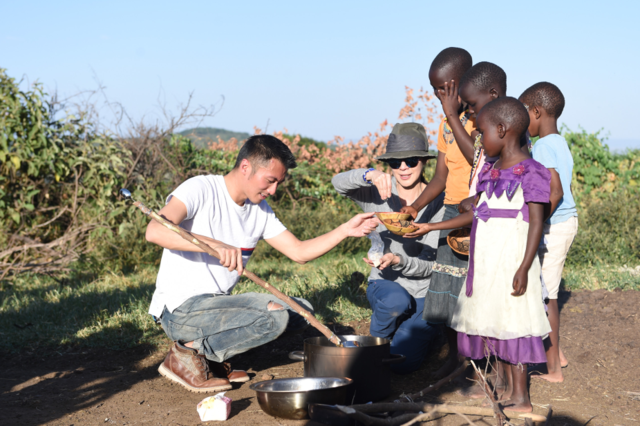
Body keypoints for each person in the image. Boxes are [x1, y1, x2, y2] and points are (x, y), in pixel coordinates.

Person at [145, 135, 380, 393]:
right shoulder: (200, 188)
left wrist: (345, 229)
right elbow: (156, 231)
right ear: (246, 167)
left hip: (215, 306)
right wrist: (215, 244)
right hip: (179, 310)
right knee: (274, 316)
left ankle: (210, 355)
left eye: (278, 182)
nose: (274, 190)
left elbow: (299, 251)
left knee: (301, 311)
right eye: (270, 181)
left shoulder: (260, 210)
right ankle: (186, 353)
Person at [410, 97, 552, 413]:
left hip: (513, 261)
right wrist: (431, 226)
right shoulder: (491, 171)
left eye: (482, 132)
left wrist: (524, 267)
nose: (478, 139)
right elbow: (477, 213)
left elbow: (537, 223)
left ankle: (522, 398)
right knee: (497, 324)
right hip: (488, 262)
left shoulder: (531, 172)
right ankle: (509, 391)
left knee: (515, 325)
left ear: (502, 130)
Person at [331, 123, 445, 374]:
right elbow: (337, 182)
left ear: (424, 161)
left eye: (411, 160)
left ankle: (420, 333)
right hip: (386, 285)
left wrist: (399, 261)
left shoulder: (441, 204)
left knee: (403, 363)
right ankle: (375, 343)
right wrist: (369, 174)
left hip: (425, 292)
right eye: (395, 162)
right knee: (395, 302)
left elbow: (435, 264)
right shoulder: (376, 193)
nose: (403, 167)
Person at [399, 47, 474, 378]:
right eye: (435, 91)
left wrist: (455, 117)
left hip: (475, 216)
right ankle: (454, 358)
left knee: (472, 294)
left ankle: (474, 362)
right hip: (449, 211)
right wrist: (415, 206)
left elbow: (481, 163)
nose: (439, 98)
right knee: (445, 293)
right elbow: (441, 177)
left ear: (460, 85)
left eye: (443, 91)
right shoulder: (446, 127)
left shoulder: (485, 120)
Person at [520, 82, 578, 383]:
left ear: (537, 112)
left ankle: (553, 369)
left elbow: (553, 194)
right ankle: (558, 355)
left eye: (523, 116)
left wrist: (536, 224)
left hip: (555, 226)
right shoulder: (559, 141)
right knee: (547, 291)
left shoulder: (541, 147)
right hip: (566, 223)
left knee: (547, 296)